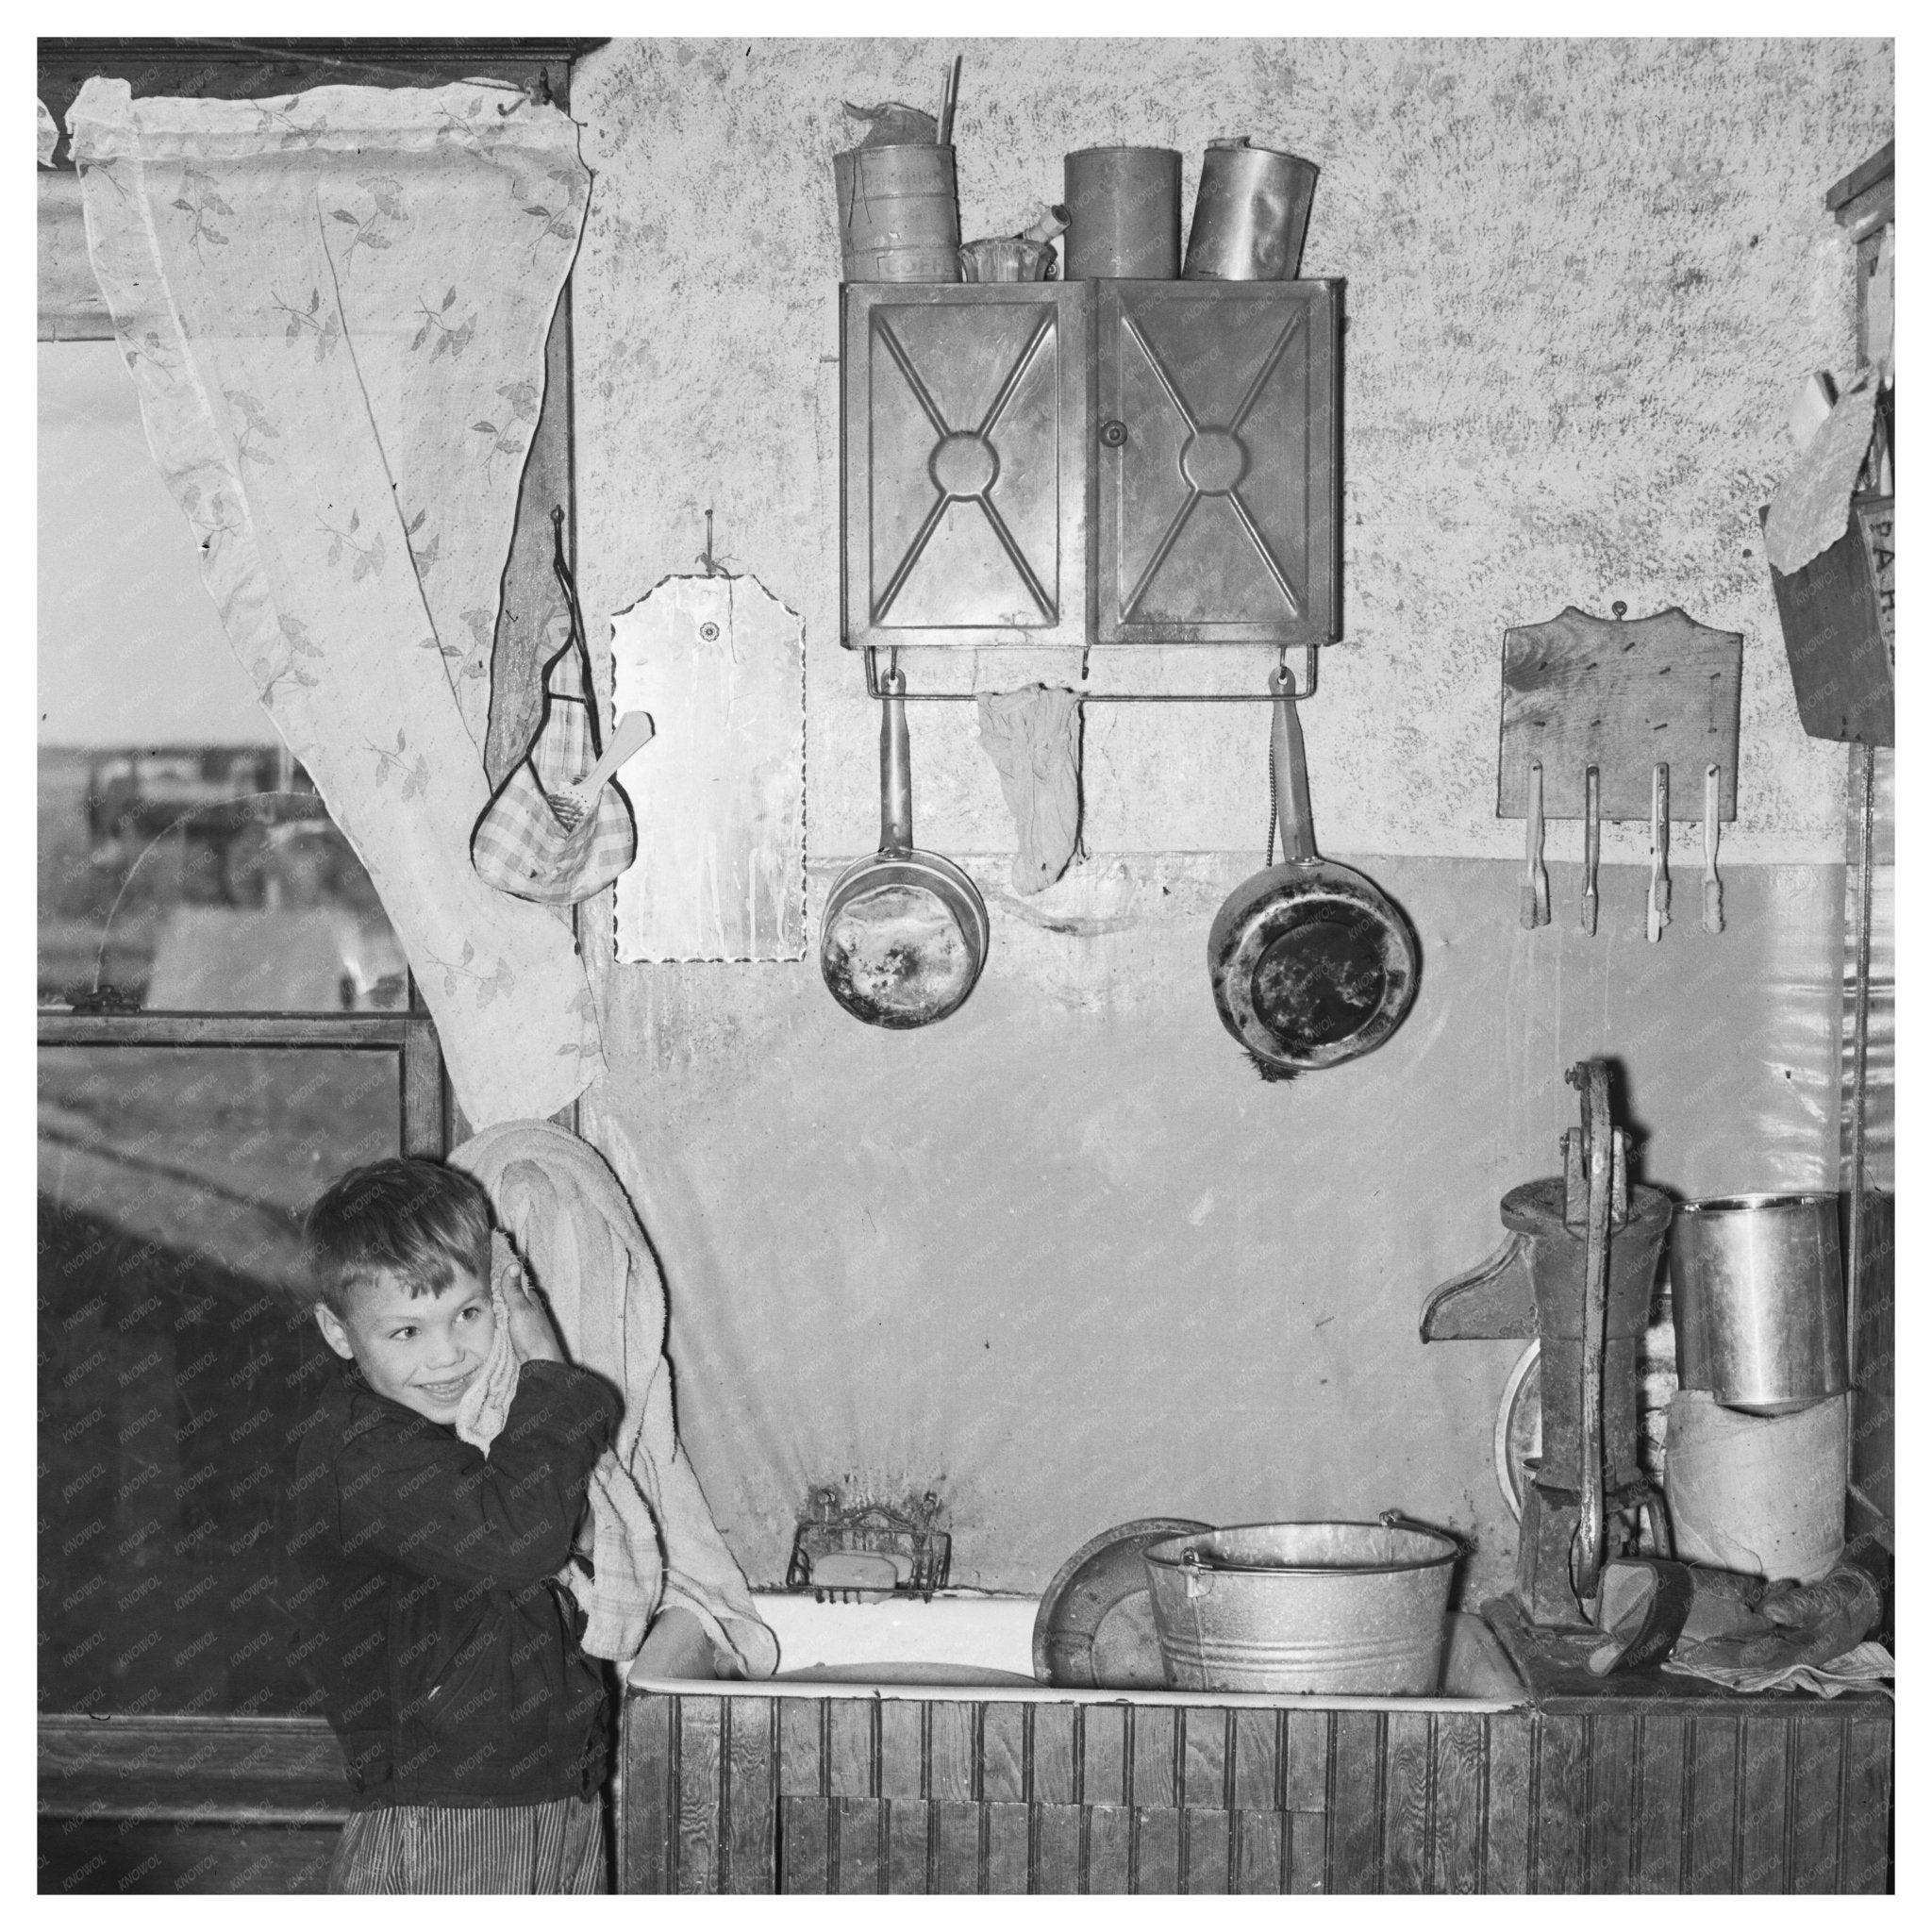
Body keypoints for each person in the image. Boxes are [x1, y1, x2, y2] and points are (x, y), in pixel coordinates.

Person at [286, 1156, 621, 1893]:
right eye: (406, 1332)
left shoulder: (444, 1435)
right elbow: (519, 1540)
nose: (447, 1356)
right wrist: (550, 1372)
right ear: (340, 1334)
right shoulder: (363, 1451)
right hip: (443, 1812)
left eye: (467, 1314)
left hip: (544, 1789)